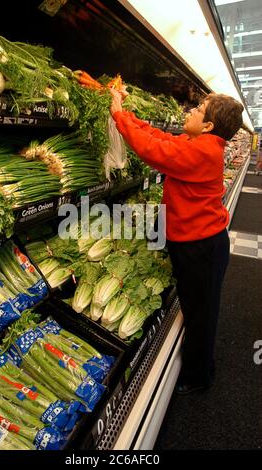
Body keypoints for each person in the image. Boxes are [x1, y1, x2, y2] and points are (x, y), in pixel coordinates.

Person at [109, 89, 244, 395]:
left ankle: (199, 376)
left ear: (208, 126)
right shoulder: (199, 143)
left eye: (199, 109)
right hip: (194, 240)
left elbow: (151, 149)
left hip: (203, 246)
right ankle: (199, 367)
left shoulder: (203, 152)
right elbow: (159, 138)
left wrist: (119, 116)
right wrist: (126, 114)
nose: (191, 111)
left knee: (201, 314)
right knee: (197, 306)